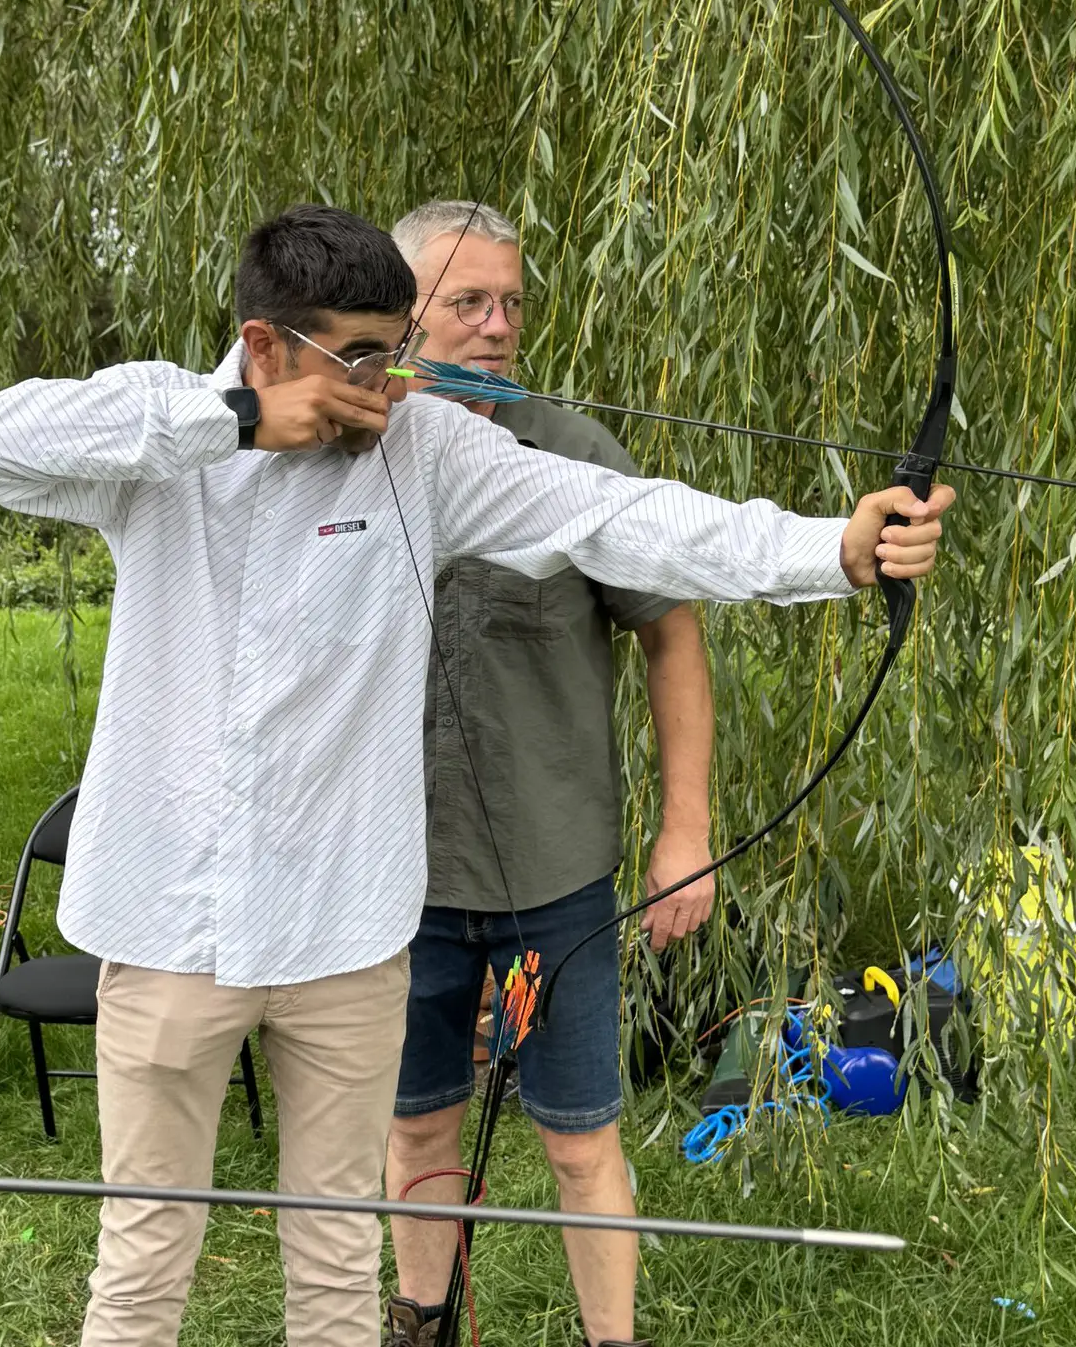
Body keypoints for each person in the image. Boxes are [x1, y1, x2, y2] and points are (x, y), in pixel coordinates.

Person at [0, 203, 954, 1347]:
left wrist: (833, 548)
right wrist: (230, 419)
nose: (393, 383)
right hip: (173, 928)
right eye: (364, 357)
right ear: (269, 345)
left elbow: (623, 520)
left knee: (335, 1265)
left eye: (398, 348)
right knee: (141, 1264)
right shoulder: (164, 435)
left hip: (343, 940)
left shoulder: (426, 451)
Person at [383, 200, 716, 1347]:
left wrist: (686, 832)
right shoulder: (346, 453)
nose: (496, 327)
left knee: (579, 1140)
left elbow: (671, 631)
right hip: (390, 883)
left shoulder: (573, 453)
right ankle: (418, 1321)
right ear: (401, 311)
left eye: (511, 303)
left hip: (553, 877)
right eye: (465, 302)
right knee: (416, 1128)